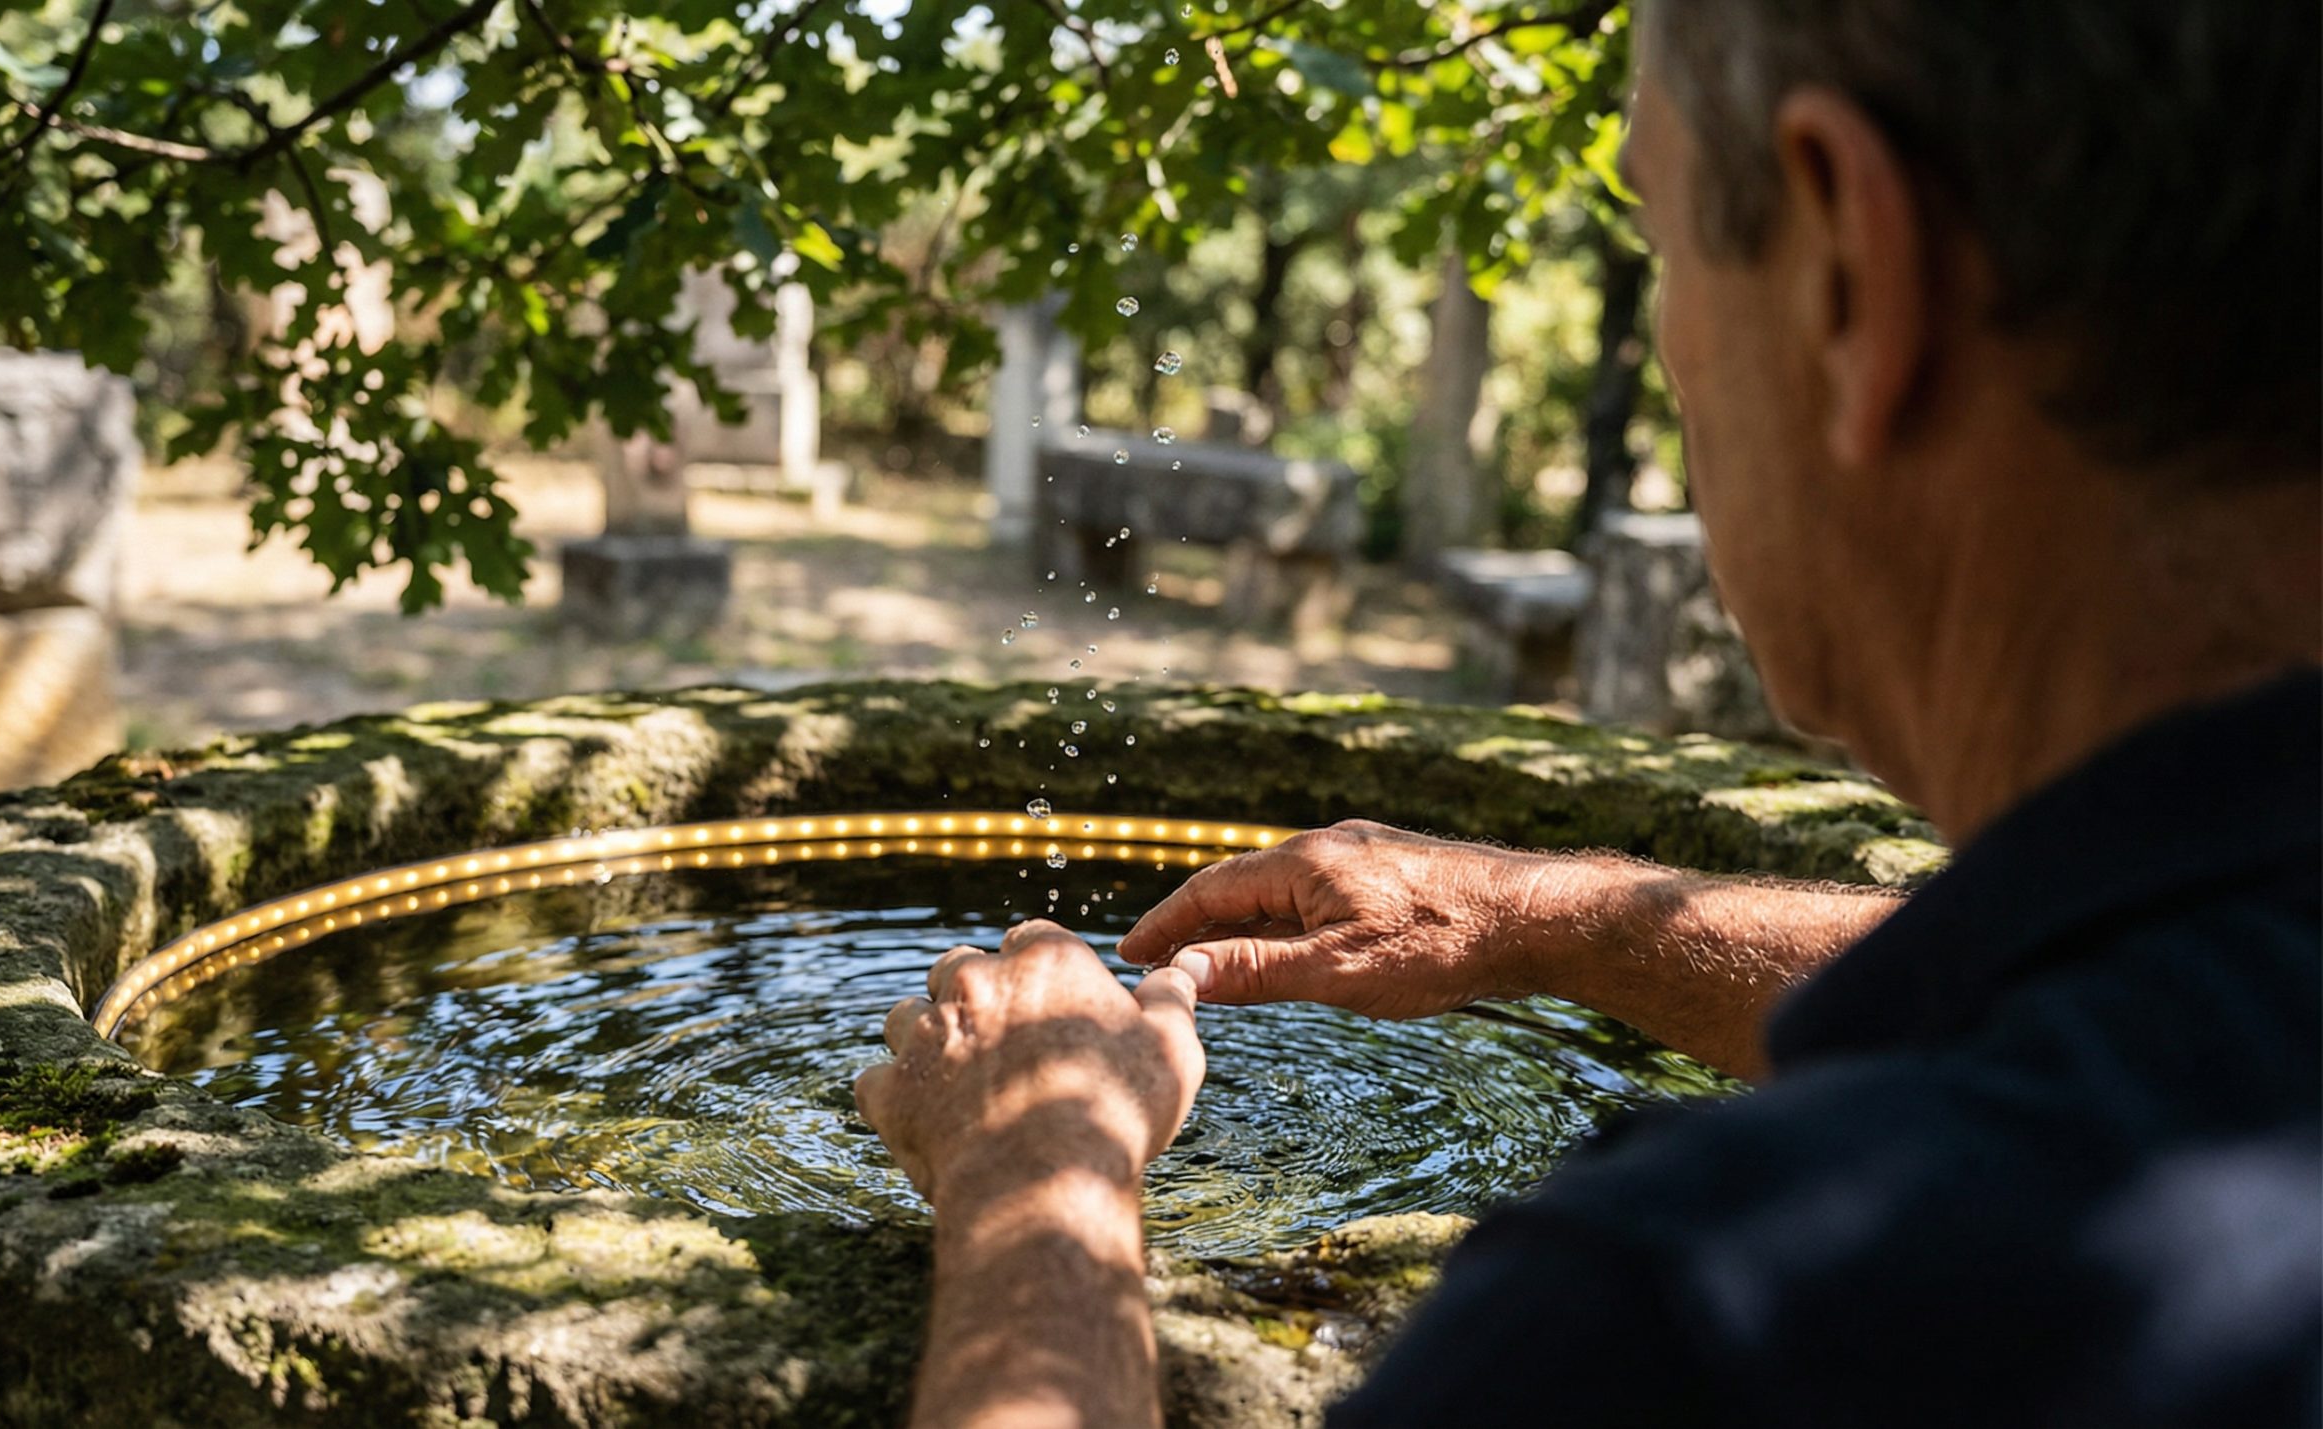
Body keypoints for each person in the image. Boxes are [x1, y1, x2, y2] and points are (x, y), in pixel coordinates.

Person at [853, 0, 2321, 1421]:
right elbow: (2134, 983)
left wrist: (1038, 1173)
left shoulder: (1707, 1314)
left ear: (1848, 279)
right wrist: (1559, 919)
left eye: (1661, 237)